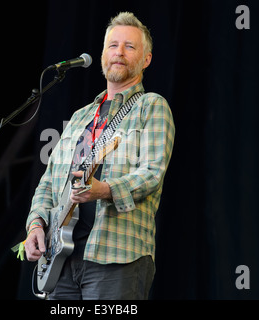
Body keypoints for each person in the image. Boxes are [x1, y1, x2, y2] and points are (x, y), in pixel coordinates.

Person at [23, 11, 175, 300]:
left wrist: (103, 190)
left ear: (146, 60)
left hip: (117, 257)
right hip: (62, 260)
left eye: (130, 46)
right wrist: (35, 225)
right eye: (112, 45)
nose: (119, 52)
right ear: (103, 55)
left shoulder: (151, 106)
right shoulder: (82, 117)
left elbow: (152, 174)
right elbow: (48, 183)